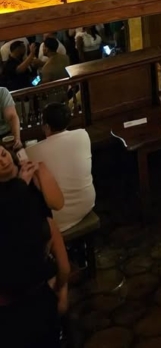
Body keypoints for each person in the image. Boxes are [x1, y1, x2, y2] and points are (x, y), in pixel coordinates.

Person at [0, 145, 70, 346]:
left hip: (40, 277)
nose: (3, 161)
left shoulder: (35, 174)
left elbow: (57, 203)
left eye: (3, 154)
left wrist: (39, 173)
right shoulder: (7, 202)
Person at [26, 102, 95, 233]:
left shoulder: (31, 151)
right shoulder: (83, 135)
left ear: (46, 126)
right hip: (87, 204)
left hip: (57, 218)